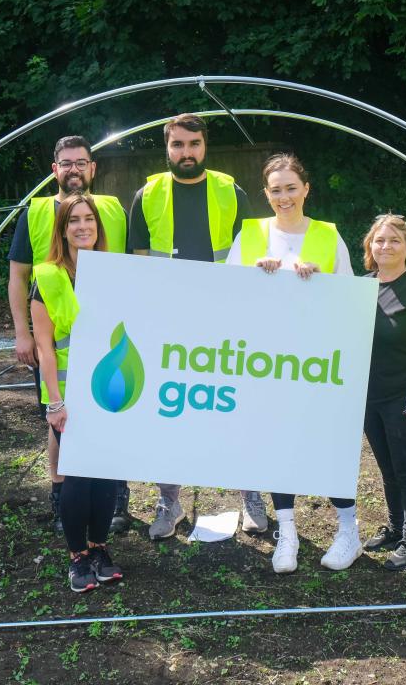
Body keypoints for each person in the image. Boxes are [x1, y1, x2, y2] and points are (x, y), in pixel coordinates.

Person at [129, 113, 265, 539]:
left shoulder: (230, 191)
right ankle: (169, 502)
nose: (185, 153)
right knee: (169, 412)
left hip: (226, 323)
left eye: (193, 144)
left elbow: (252, 256)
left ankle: (251, 495)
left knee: (237, 408)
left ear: (205, 147)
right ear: (166, 148)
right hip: (168, 326)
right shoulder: (146, 195)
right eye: (177, 145)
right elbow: (136, 265)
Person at [225, 153, 356, 573]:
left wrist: (323, 283)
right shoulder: (248, 236)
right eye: (275, 190)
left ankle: (348, 531)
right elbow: (226, 297)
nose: (284, 196)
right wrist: (253, 276)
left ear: (306, 189)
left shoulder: (329, 236)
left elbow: (350, 300)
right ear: (265, 194)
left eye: (291, 187)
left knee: (326, 446)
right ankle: (288, 533)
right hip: (266, 363)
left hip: (320, 363)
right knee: (278, 444)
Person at [7, 135, 129, 536]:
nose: (74, 169)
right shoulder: (36, 211)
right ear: (54, 169)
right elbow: (19, 276)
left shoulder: (111, 209)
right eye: (66, 163)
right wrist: (22, 333)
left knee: (114, 410)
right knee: (59, 421)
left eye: (82, 162)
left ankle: (116, 493)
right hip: (55, 340)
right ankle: (61, 498)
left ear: (92, 168)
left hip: (104, 338)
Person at [31, 192, 123, 592]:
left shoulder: (114, 273)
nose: (83, 226)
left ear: (98, 227)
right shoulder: (48, 277)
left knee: (105, 477)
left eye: (89, 219)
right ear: (63, 229)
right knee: (77, 478)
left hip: (110, 391)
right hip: (68, 394)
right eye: (74, 220)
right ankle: (77, 558)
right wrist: (55, 402)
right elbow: (44, 348)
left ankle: (99, 547)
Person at [360, 214, 406, 572]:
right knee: (386, 467)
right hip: (369, 394)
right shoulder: (362, 285)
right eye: (379, 240)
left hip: (403, 394)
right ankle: (394, 527)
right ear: (369, 247)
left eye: (393, 240)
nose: (385, 246)